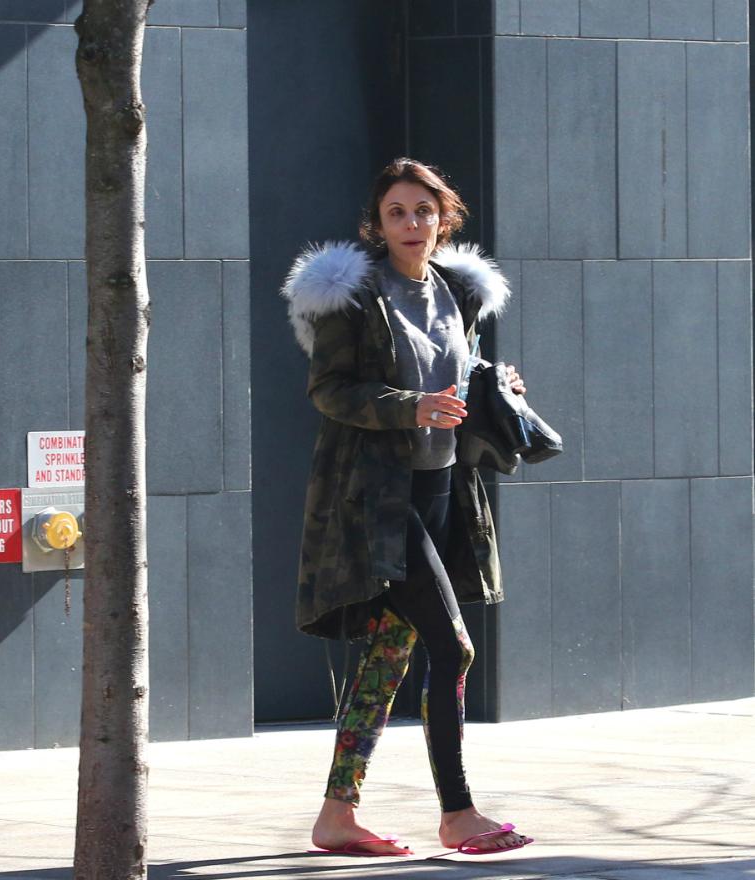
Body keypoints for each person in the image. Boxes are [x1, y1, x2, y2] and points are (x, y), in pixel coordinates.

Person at [280, 158, 535, 857]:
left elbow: (454, 369)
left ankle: (337, 815)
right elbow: (329, 390)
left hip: (442, 487)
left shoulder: (457, 291)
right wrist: (408, 407)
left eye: (423, 210)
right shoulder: (357, 297)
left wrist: (493, 381)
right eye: (397, 212)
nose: (411, 224)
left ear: (443, 217)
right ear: (378, 223)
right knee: (452, 646)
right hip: (377, 499)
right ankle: (458, 813)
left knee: (390, 655)